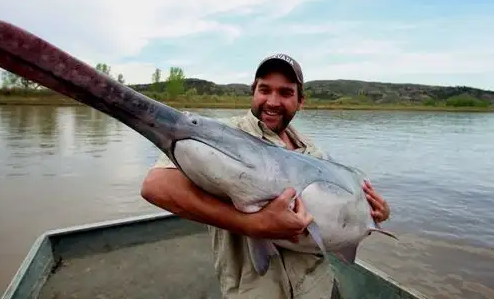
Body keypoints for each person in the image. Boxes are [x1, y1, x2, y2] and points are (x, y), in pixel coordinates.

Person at [140, 53, 391, 299]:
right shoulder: (219, 135)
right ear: (254, 91)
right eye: (265, 89)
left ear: (300, 101)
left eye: (285, 93)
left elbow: (342, 221)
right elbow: (156, 186)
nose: (272, 101)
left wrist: (377, 214)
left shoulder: (313, 151)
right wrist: (253, 224)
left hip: (318, 288)